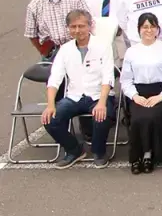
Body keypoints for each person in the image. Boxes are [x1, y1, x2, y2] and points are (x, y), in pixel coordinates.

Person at [42, 9, 116, 169]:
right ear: (68, 28)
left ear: (90, 26)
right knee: (50, 119)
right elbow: (54, 79)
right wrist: (50, 105)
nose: (77, 30)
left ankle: (99, 152)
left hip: (99, 95)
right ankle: (74, 150)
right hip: (74, 96)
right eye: (73, 26)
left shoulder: (103, 46)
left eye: (81, 26)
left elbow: (108, 77)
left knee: (101, 117)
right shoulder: (65, 50)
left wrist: (101, 103)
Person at [120, 13, 162, 174]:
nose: (149, 30)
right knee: (137, 118)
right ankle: (136, 157)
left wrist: (161, 96)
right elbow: (125, 80)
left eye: (152, 26)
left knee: (152, 116)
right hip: (139, 93)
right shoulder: (131, 51)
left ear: (157, 29)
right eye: (145, 27)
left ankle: (149, 154)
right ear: (139, 29)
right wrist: (135, 96)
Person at [25, 0, 90, 58]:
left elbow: (88, 22)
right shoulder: (34, 5)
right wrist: (43, 51)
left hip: (77, 46)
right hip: (52, 51)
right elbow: (31, 34)